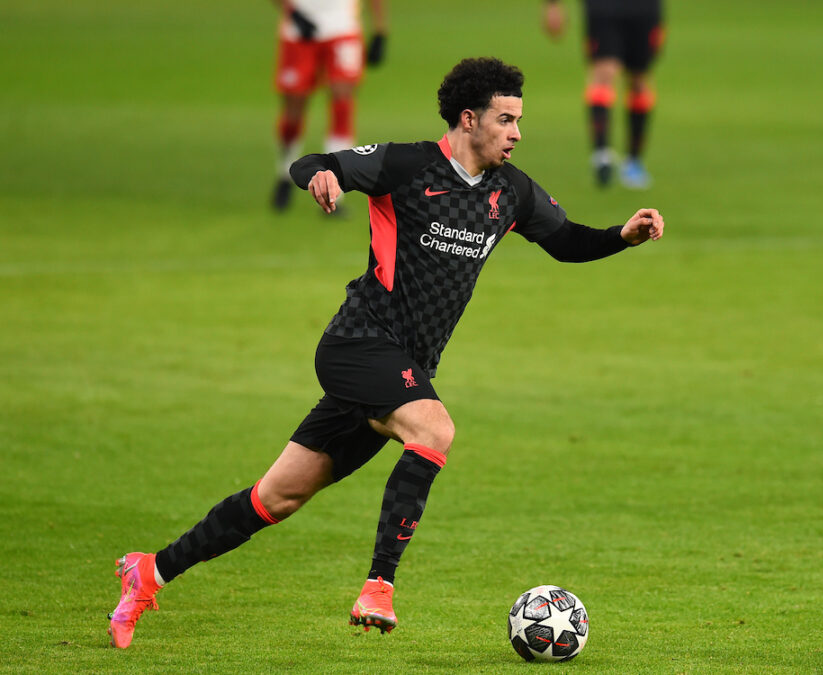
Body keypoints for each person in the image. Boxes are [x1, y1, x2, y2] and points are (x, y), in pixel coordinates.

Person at [108, 56, 665, 649]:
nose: (517, 133)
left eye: (519, 121)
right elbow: (313, 161)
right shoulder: (407, 165)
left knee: (278, 497)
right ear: (469, 119)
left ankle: (150, 571)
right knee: (434, 428)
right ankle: (379, 584)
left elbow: (568, 243)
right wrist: (318, 178)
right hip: (358, 344)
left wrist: (620, 237)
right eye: (506, 120)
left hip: (405, 369)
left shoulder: (511, 191)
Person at [271, 0, 388, 212]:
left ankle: (335, 193)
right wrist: (293, 12)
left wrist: (380, 30)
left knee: (342, 104)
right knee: (293, 110)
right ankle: (285, 171)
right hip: (300, 31)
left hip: (342, 27)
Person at [543, 0, 664, 189]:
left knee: (639, 80)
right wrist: (552, 5)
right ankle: (602, 154)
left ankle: (633, 161)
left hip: (644, 8)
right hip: (604, 7)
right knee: (604, 73)